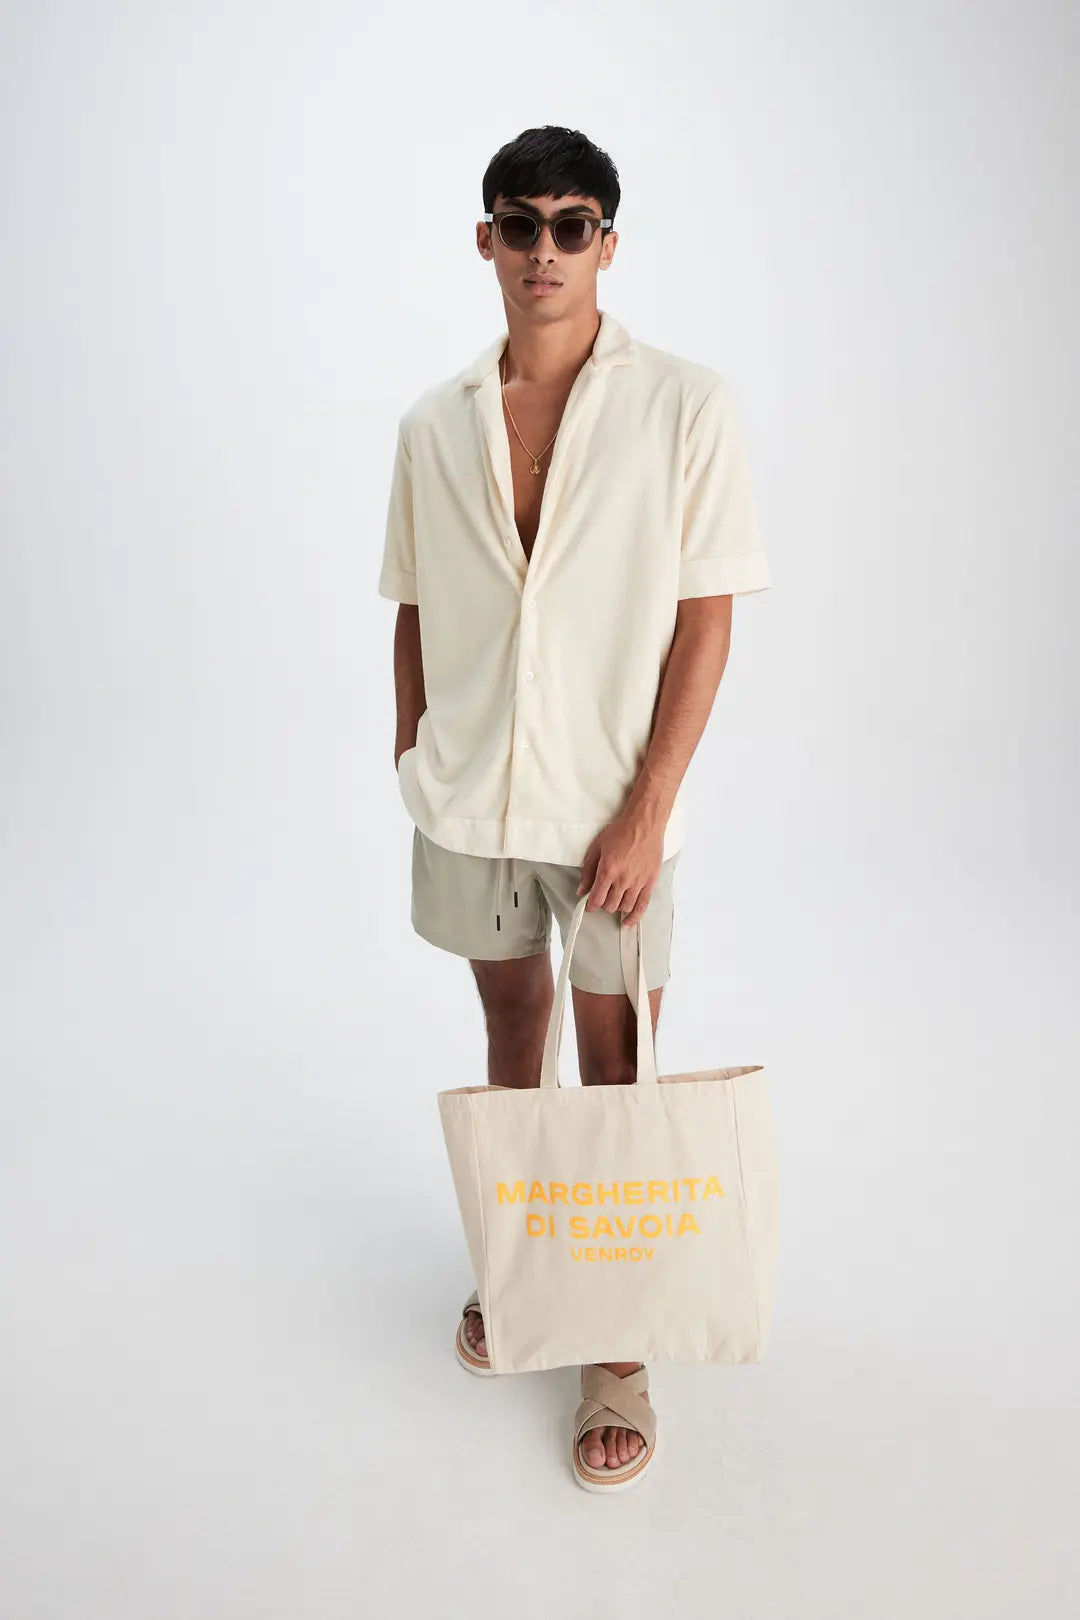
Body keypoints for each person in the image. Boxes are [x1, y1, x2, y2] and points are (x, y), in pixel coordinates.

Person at [378, 125, 771, 1490]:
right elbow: (415, 603)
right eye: (520, 223)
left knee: (618, 1066)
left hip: (611, 807)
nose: (543, 249)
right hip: (473, 800)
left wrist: (650, 808)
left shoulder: (685, 407)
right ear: (484, 240)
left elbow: (707, 617)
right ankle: (528, 1271)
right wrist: (412, 748)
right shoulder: (432, 423)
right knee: (510, 1039)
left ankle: (617, 1348)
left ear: (608, 243)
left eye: (571, 224)